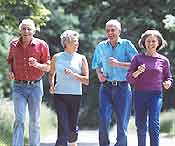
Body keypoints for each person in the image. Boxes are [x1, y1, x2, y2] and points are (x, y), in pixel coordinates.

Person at [91, 19, 138, 146]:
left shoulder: (127, 45)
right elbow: (96, 64)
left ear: (119, 31)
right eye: (108, 30)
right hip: (105, 87)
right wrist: (99, 74)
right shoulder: (101, 46)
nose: (110, 33)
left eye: (113, 30)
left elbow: (137, 65)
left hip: (122, 87)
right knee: (104, 119)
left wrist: (118, 64)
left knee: (122, 121)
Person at [7, 18, 50, 146]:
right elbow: (10, 60)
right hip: (18, 87)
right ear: (20, 30)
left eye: (29, 28)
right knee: (19, 120)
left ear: (34, 31)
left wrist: (37, 64)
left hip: (35, 86)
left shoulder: (42, 45)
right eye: (24, 28)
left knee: (34, 121)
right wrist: (11, 72)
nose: (26, 31)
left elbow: (48, 67)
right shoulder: (13, 45)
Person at [127, 29, 173, 146]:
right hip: (139, 94)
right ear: (144, 43)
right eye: (148, 41)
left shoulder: (164, 60)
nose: (151, 44)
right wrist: (137, 72)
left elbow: (169, 77)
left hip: (156, 95)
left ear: (158, 43)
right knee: (141, 124)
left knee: (154, 124)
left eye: (153, 41)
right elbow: (129, 78)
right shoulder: (137, 59)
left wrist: (168, 83)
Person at [48, 30, 89, 146]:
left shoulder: (81, 58)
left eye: (77, 41)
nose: (77, 44)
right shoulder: (57, 57)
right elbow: (51, 74)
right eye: (74, 41)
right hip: (60, 95)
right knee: (63, 124)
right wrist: (51, 85)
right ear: (66, 42)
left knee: (72, 128)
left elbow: (86, 80)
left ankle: (73, 142)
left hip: (75, 96)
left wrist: (73, 75)